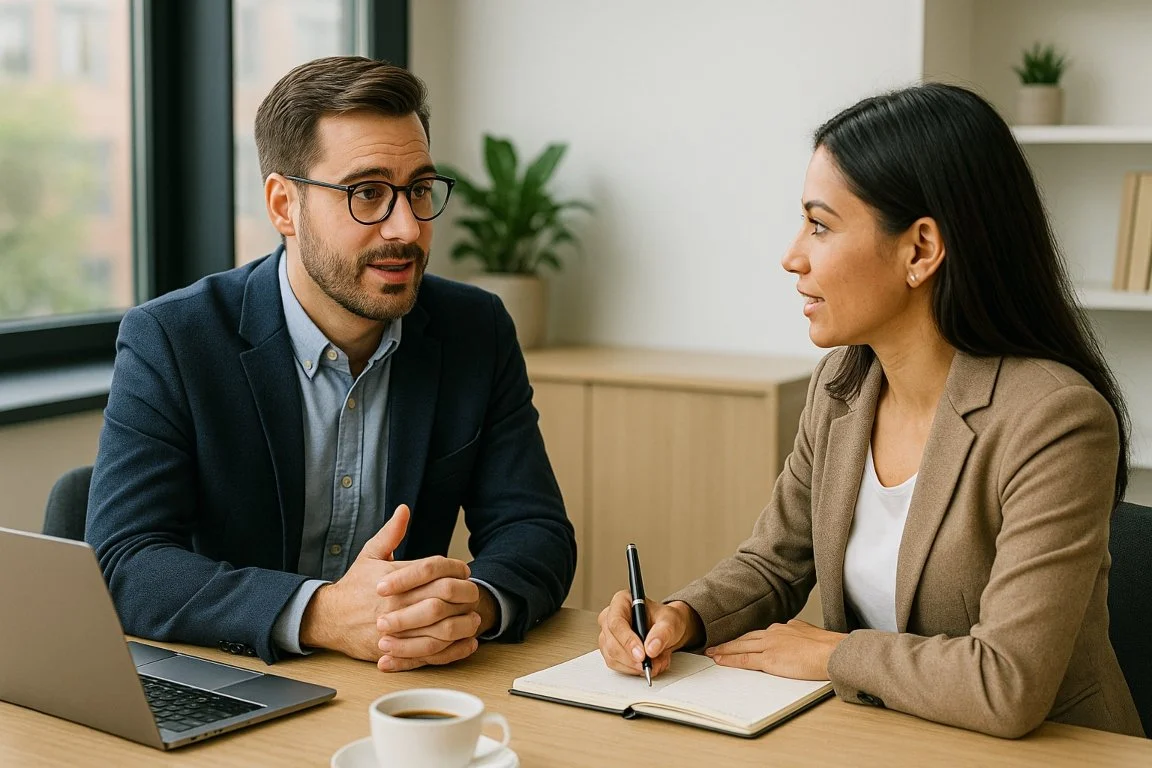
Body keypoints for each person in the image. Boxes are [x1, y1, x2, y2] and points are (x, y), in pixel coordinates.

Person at [597, 82, 1144, 739]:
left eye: (820, 225)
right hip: (884, 738)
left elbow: (1008, 683)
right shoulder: (842, 386)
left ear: (920, 251)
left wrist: (831, 654)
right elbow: (774, 562)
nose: (792, 254)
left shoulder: (1056, 421)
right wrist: (682, 616)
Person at [86, 56, 576, 670]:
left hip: (400, 683)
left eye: (419, 190)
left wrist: (467, 604)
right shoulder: (174, 339)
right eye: (367, 193)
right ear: (283, 205)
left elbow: (536, 530)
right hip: (237, 676)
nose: (406, 227)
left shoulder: (475, 329)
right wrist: (320, 613)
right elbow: (125, 561)